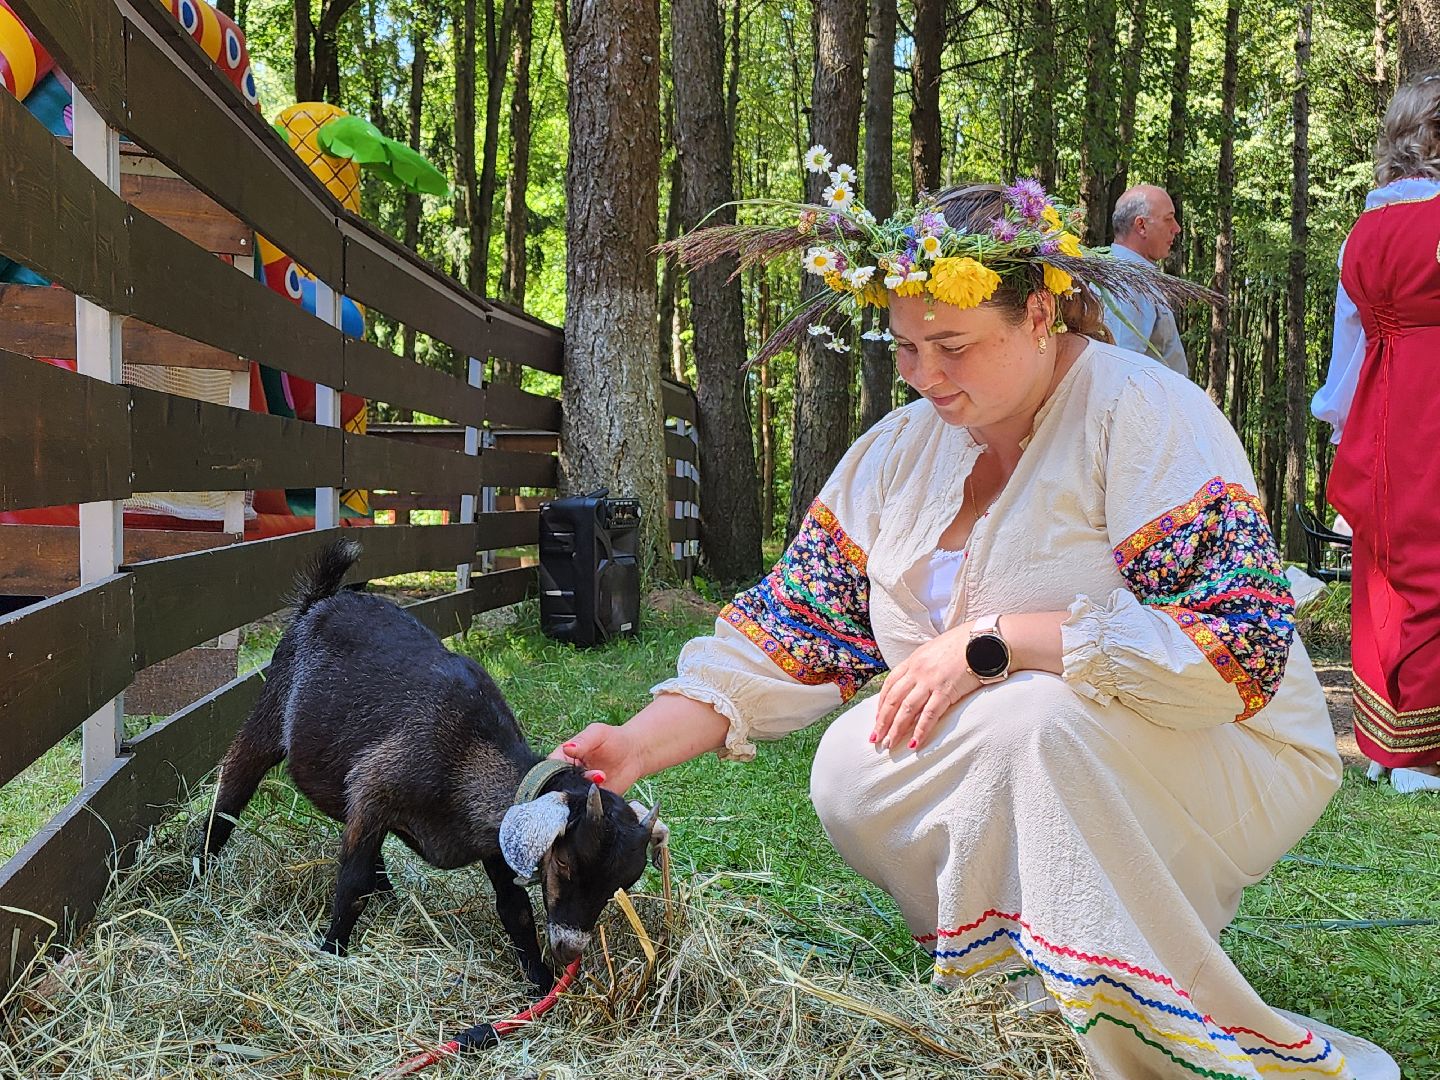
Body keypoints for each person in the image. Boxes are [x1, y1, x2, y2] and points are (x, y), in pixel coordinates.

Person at [557, 171, 1398, 1079]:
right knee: (852, 763)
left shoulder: (1141, 411)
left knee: (1024, 720)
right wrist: (634, 747)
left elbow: (1239, 649)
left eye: (952, 344)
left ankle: (1119, 1024)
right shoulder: (901, 448)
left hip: (1227, 740)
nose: (926, 376)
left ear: (1041, 315)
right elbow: (792, 626)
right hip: (1046, 744)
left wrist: (992, 640)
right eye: (908, 347)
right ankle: (1017, 983)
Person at [1313, 74, 1440, 795]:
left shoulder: (1364, 230)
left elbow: (1348, 340)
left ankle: (1392, 746)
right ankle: (1422, 753)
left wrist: (1342, 422)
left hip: (1381, 404)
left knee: (1389, 566)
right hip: (1430, 399)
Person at [1103, 184, 1189, 377]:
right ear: (1141, 226)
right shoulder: (1128, 281)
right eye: (1168, 219)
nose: (1176, 228)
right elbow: (1121, 369)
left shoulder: (1125, 274)